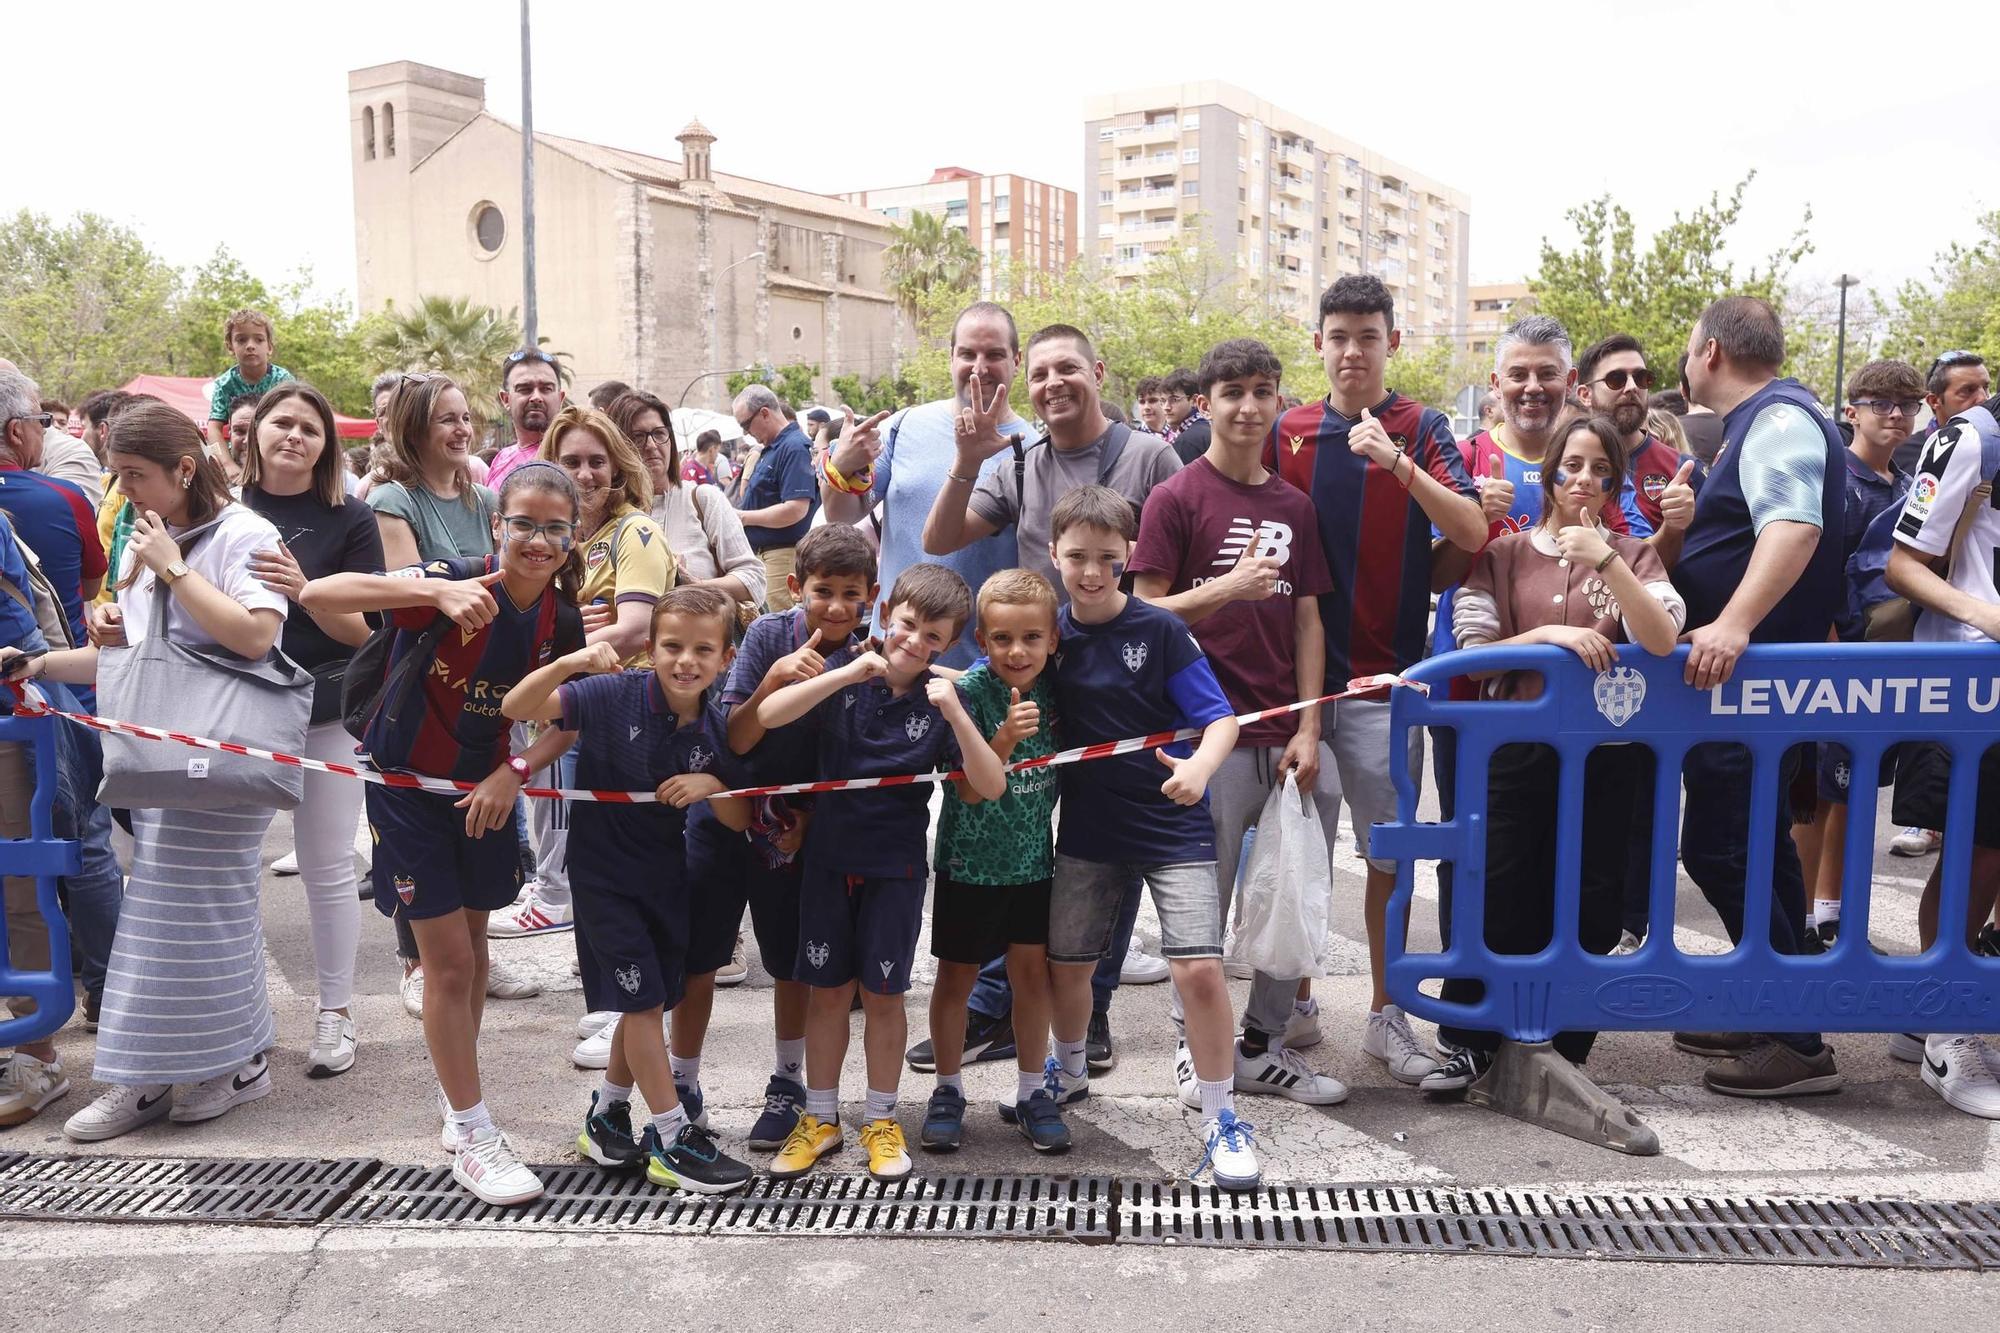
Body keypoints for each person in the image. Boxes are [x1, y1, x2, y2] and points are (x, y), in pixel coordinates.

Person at [298, 462, 588, 1205]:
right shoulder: (455, 582)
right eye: (523, 522)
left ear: (570, 537)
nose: (537, 539)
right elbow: (316, 592)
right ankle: (472, 1127)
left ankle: (458, 1100)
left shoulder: (562, 616)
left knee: (476, 952)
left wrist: (515, 769)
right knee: (447, 964)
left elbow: (565, 721)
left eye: (555, 528)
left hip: (484, 794)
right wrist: (425, 587)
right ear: (498, 525)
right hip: (405, 790)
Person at [8, 401, 289, 1141]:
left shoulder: (244, 534)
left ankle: (183, 1068)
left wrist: (174, 572)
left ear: (184, 469)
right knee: (180, 913)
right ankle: (200, 1064)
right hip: (160, 753)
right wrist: (37, 662)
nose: (123, 490)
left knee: (193, 912)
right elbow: (125, 655)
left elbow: (258, 637)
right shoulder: (148, 534)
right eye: (117, 474)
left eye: (134, 475)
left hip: (225, 754)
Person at [920, 323, 1182, 1067]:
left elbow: (1173, 568)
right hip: (1033, 666)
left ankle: (1088, 1011)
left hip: (1121, 671)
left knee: (1106, 839)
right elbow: (940, 538)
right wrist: (968, 463)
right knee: (1017, 833)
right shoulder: (1021, 458)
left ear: (1098, 370)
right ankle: (995, 1007)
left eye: (1068, 367)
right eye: (1039, 373)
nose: (1053, 383)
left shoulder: (1149, 455)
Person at [1421, 414, 1686, 1090]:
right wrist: (1549, 636)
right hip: (1513, 746)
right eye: (1571, 465)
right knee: (1500, 887)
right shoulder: (1503, 553)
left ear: (1616, 482)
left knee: (1592, 896)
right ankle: (1472, 1039)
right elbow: (1473, 656)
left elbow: (1660, 637)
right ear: (1549, 472)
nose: (1584, 481)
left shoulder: (1634, 551)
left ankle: (1563, 1050)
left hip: (1607, 752)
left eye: (1600, 469)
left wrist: (1606, 558)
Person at [1267, 274, 1485, 1088]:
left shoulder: (1422, 426)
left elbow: (1469, 528)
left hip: (1390, 688)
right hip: (1297, 694)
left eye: (1368, 334)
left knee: (1388, 859)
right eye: (1338, 335)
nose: (1352, 350)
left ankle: (1387, 1015)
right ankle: (1294, 1004)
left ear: (1393, 342)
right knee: (1300, 857)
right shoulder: (1285, 428)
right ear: (1318, 344)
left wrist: (1397, 463)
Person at [1128, 338, 1348, 1108]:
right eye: (1232, 391)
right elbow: (1144, 609)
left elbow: (1309, 621)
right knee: (1204, 906)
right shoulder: (1177, 498)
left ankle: (1261, 1044)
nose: (1249, 406)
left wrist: (1310, 725)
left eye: (1263, 390)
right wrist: (1227, 586)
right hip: (1202, 737)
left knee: (1299, 889)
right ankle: (1198, 1050)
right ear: (1206, 403)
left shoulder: (1295, 506)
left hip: (1285, 735)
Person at [1039, 484, 1262, 1188]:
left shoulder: (1160, 630)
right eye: (1077, 556)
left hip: (1174, 822)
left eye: (1108, 556)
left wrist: (1199, 766)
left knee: (1198, 967)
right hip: (1088, 825)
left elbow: (1221, 718)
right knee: (1069, 966)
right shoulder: (1047, 633)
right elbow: (990, 675)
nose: (1092, 571)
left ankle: (1223, 1116)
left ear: (1130, 555)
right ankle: (1069, 1071)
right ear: (1054, 553)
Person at [501, 586, 759, 1190]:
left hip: (665, 877)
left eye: (703, 650)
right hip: (602, 879)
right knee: (641, 1005)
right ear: (650, 646)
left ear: (725, 658)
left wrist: (711, 786)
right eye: (672, 646)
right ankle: (671, 1137)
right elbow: (518, 707)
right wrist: (571, 661)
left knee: (650, 1000)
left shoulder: (715, 728)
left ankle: (608, 1114)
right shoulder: (611, 694)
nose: (685, 661)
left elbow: (741, 821)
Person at [756, 563, 1005, 1184]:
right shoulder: (845, 671)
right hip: (827, 863)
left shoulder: (947, 697)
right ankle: (820, 1117)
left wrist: (957, 714)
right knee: (829, 994)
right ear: (886, 611)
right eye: (909, 626)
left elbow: (990, 784)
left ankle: (881, 1118)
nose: (916, 644)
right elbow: (768, 717)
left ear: (951, 645)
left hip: (895, 868)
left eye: (935, 639)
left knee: (888, 996)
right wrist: (847, 670)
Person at [1669, 295, 1846, 1097]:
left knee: (1721, 848)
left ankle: (1796, 1038)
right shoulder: (1768, 421)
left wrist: (1732, 624)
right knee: (1758, 850)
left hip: (1750, 687)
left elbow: (1794, 527)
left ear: (1708, 353)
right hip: (1745, 694)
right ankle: (1772, 999)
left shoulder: (1778, 419)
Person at [696, 523, 876, 1147]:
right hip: (737, 807)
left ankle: (788, 1079)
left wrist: (811, 823)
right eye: (822, 590)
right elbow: (738, 739)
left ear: (870, 598)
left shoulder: (868, 657)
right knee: (710, 953)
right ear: (795, 588)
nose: (834, 607)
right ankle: (685, 1080)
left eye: (849, 594)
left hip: (813, 824)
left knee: (793, 961)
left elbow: (858, 762)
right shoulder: (769, 636)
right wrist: (774, 679)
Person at [364, 375, 536, 1014]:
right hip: (421, 681)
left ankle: (471, 957)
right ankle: (419, 961)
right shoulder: (392, 498)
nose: (462, 430)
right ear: (415, 429)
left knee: (485, 825)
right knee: (423, 826)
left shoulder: (487, 493)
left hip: (491, 681)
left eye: (467, 418)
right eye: (446, 420)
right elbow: (404, 592)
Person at [239, 382, 384, 1077]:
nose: (294, 435)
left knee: (327, 866)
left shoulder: (350, 519)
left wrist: (305, 589)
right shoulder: (223, 508)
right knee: (232, 867)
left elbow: (365, 636)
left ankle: (336, 1011)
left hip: (328, 706)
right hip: (236, 708)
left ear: (327, 445)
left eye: (310, 427)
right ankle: (238, 1016)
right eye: (282, 422)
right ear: (255, 431)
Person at [489, 406, 672, 944]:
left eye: (598, 461)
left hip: (611, 708)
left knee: (576, 817)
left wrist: (554, 658)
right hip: (561, 701)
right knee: (553, 805)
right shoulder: (564, 540)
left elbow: (637, 628)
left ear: (617, 468)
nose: (586, 473)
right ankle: (557, 895)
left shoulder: (633, 532)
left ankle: (555, 899)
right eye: (572, 461)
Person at [920, 569, 1071, 1154]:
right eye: (1003, 638)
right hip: (968, 864)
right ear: (981, 640)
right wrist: (1005, 736)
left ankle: (1034, 1091)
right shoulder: (971, 694)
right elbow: (971, 790)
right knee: (955, 978)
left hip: (1034, 864)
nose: (1018, 650)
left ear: (1053, 640)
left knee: (1032, 978)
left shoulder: (1056, 687)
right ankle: (948, 1089)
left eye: (1032, 637)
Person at [1881, 389, 2000, 1119]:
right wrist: (1983, 614)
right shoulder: (1973, 435)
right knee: (1978, 852)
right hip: (1971, 683)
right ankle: (1947, 1033)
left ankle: (1929, 1010)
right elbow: (1903, 564)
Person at [821, 302, 1031, 666]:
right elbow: (839, 516)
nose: (979, 367)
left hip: (980, 670)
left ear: (1016, 360)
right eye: (968, 353)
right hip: (891, 659)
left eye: (994, 354)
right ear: (951, 357)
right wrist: (839, 468)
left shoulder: (1032, 449)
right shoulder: (902, 427)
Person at [611, 392, 765, 607]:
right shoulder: (609, 514)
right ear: (618, 445)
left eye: (659, 433)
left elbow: (753, 579)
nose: (652, 445)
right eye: (637, 437)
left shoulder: (703, 499)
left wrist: (693, 585)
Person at [1576, 334, 1700, 561]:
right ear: (1585, 394)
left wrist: (1677, 525)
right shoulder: (1562, 469)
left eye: (1642, 378)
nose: (1632, 387)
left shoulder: (1683, 470)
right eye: (1616, 379)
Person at [734, 385, 819, 611]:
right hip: (770, 555)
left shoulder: (793, 447)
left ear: (764, 413)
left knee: (780, 625)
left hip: (783, 555)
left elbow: (795, 509)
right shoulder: (774, 448)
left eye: (745, 425)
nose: (746, 433)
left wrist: (743, 517)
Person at [205, 309, 292, 450]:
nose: (250, 346)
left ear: (269, 347)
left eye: (259, 339)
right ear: (230, 347)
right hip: (240, 454)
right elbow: (214, 428)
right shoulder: (224, 385)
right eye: (241, 340)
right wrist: (228, 465)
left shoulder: (283, 381)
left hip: (274, 450)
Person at [1892, 351, 1989, 477]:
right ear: (1934, 401)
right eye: (1968, 390)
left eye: (1986, 387)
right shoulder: (1901, 455)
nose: (1984, 398)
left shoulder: (1993, 448)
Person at [485, 349, 568, 492]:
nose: (536, 397)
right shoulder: (501, 459)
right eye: (524, 389)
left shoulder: (570, 458)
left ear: (560, 398)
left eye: (546, 389)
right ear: (505, 399)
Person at [1161, 368, 1203, 456]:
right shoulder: (1211, 427)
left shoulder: (1186, 441)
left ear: (1194, 400)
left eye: (1174, 399)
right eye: (1163, 401)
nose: (1166, 407)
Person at [220, 394, 258, 488]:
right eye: (239, 431)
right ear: (230, 433)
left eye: (255, 432)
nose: (247, 441)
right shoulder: (213, 478)